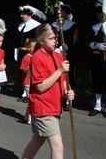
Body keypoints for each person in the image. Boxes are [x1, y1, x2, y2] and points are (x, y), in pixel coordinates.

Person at [21, 24, 74, 159]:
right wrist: (59, 70)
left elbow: (62, 80)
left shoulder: (58, 56)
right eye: (51, 38)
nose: (55, 41)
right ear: (41, 41)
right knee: (58, 146)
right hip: (43, 107)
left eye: (56, 38)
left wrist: (68, 91)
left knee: (37, 141)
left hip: (54, 106)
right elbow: (40, 87)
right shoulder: (37, 57)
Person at [15, 5, 46, 103]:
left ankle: (29, 92)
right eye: (22, 14)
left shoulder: (37, 25)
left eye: (24, 14)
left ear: (29, 15)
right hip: (21, 51)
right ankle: (24, 92)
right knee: (22, 72)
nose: (22, 16)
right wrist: (16, 51)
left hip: (31, 52)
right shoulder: (20, 25)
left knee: (30, 72)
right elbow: (16, 40)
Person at [87, 5, 106, 117]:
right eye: (97, 13)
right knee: (97, 81)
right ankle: (98, 106)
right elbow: (89, 43)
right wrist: (97, 45)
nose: (98, 15)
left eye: (100, 13)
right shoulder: (94, 27)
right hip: (97, 58)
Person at [51, 3, 78, 88]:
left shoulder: (72, 25)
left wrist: (67, 47)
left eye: (62, 12)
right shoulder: (53, 25)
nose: (60, 14)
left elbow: (75, 39)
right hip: (54, 51)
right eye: (59, 12)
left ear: (66, 13)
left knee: (68, 73)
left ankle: (69, 90)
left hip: (67, 53)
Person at [20, 38, 37, 124]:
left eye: (36, 47)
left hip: (35, 81)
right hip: (27, 81)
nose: (34, 49)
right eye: (33, 47)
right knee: (31, 100)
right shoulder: (26, 58)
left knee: (32, 100)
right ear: (29, 48)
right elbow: (23, 69)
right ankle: (30, 118)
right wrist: (28, 69)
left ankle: (26, 116)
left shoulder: (37, 57)